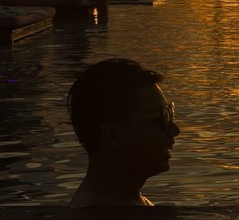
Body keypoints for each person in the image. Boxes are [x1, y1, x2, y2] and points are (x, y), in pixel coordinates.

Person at [67, 58, 180, 207]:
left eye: (169, 112)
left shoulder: (122, 204)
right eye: (161, 118)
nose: (175, 130)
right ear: (113, 136)